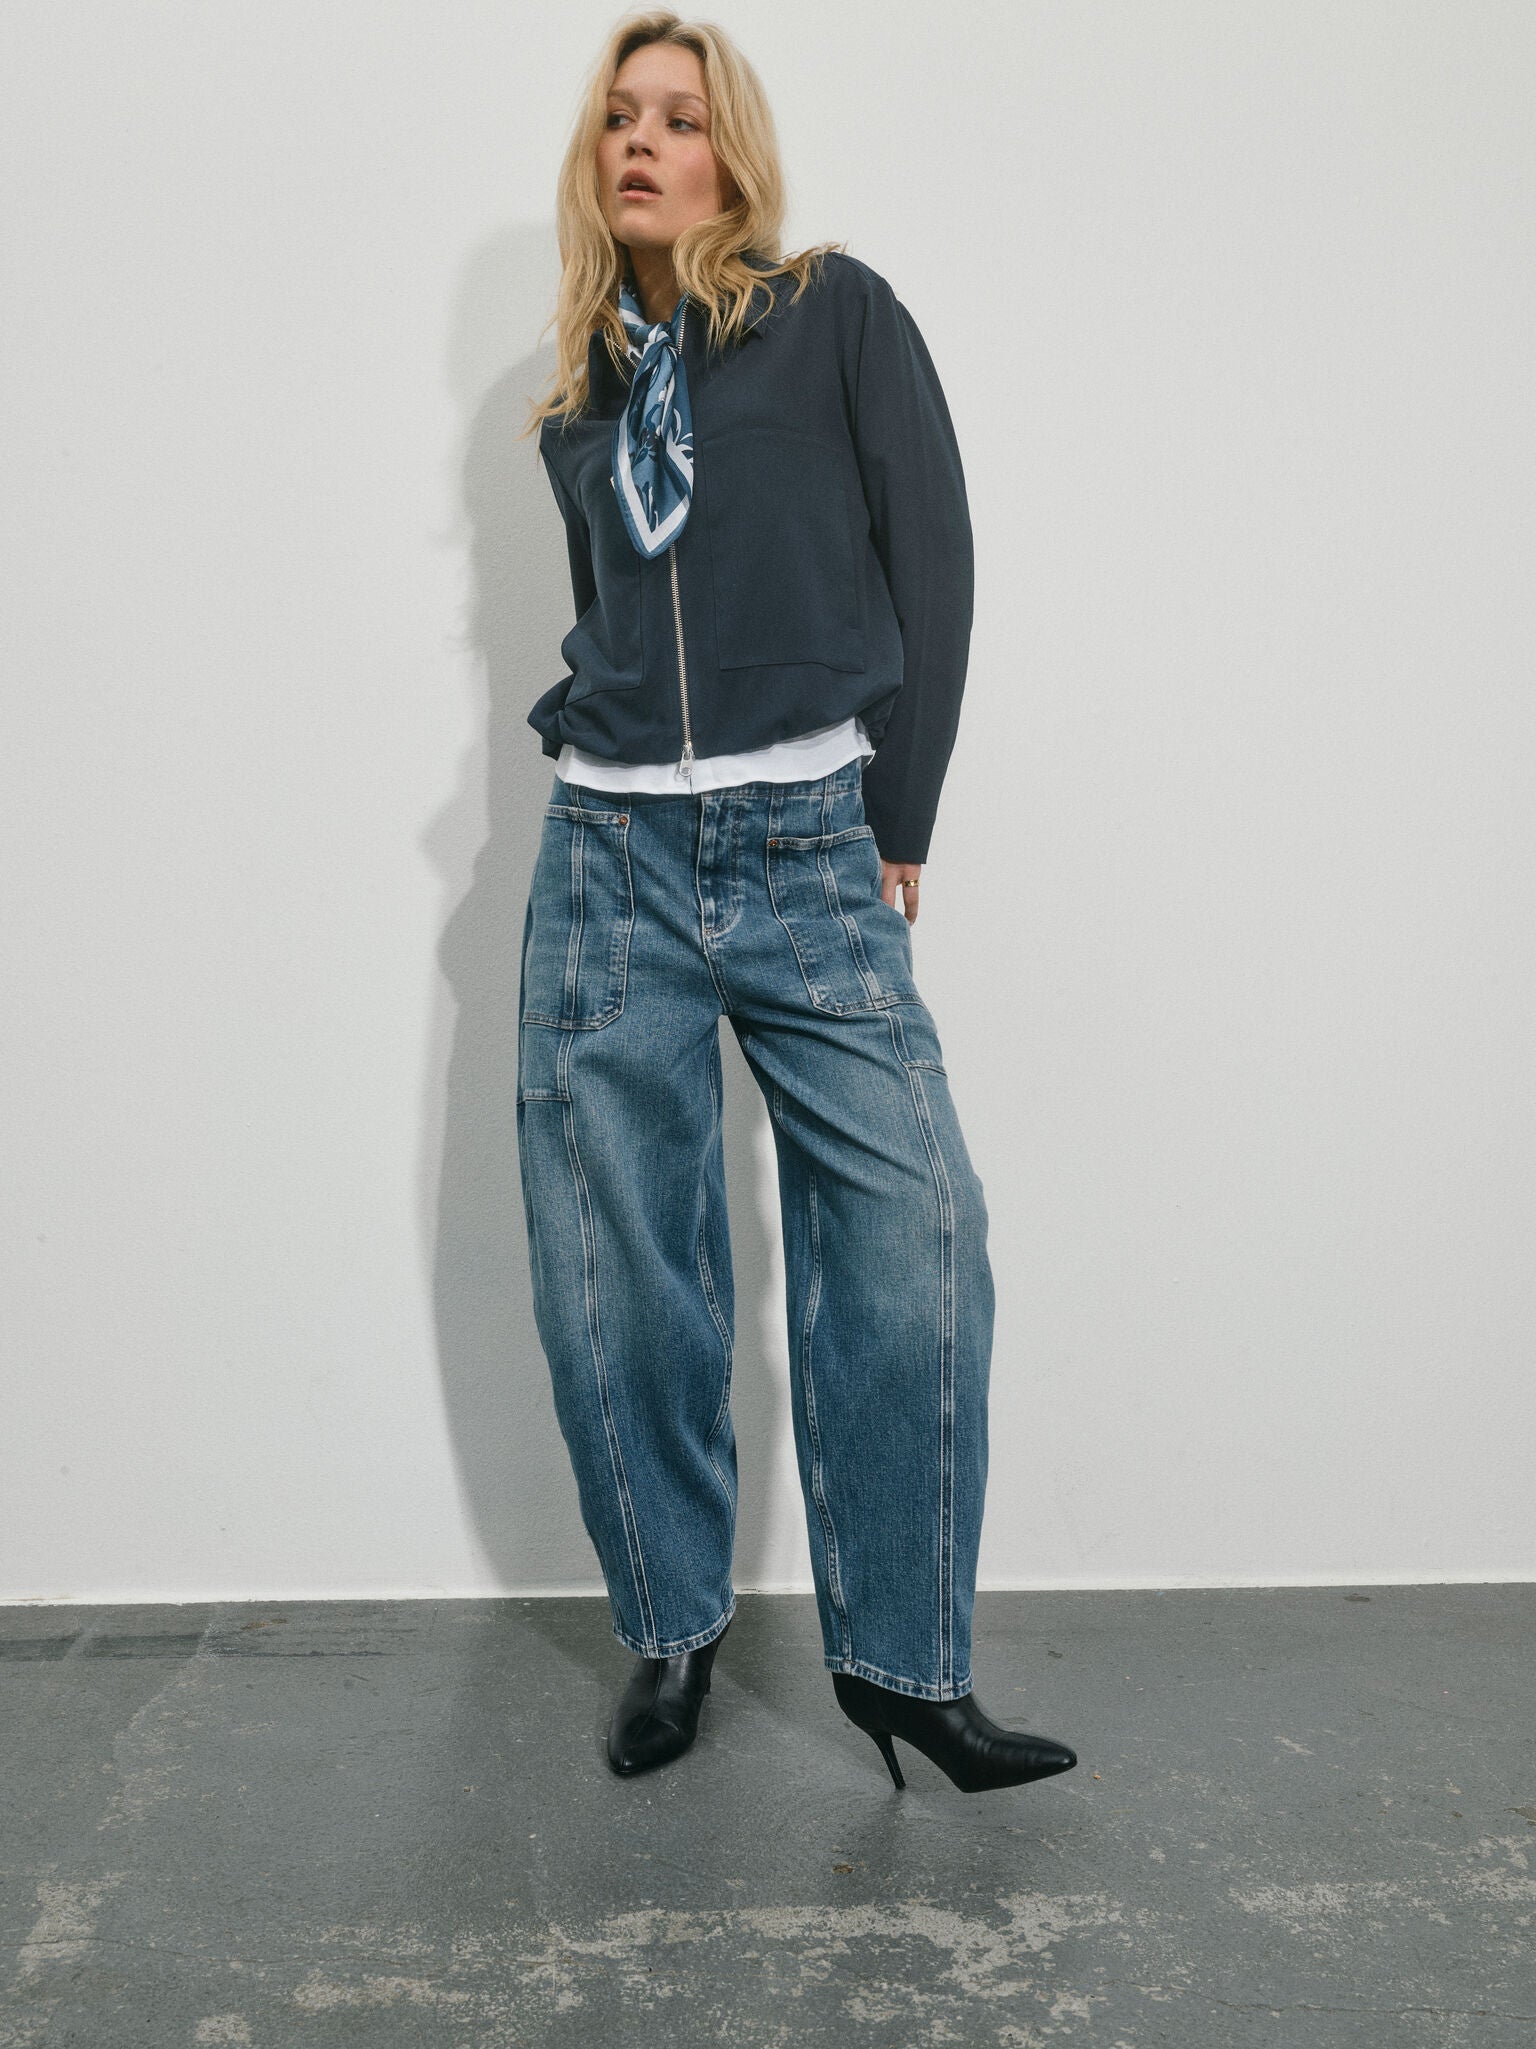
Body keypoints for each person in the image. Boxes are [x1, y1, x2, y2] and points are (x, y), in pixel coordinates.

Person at [516, 10, 1077, 1795]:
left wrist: (902, 802)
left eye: (679, 117)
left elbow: (935, 551)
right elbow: (620, 612)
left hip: (809, 848)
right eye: (621, 117)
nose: (643, 141)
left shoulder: (836, 313)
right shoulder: (582, 395)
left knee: (919, 1231)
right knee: (624, 1281)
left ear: (731, 153)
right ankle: (673, 1626)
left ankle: (906, 1667)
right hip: (608, 864)